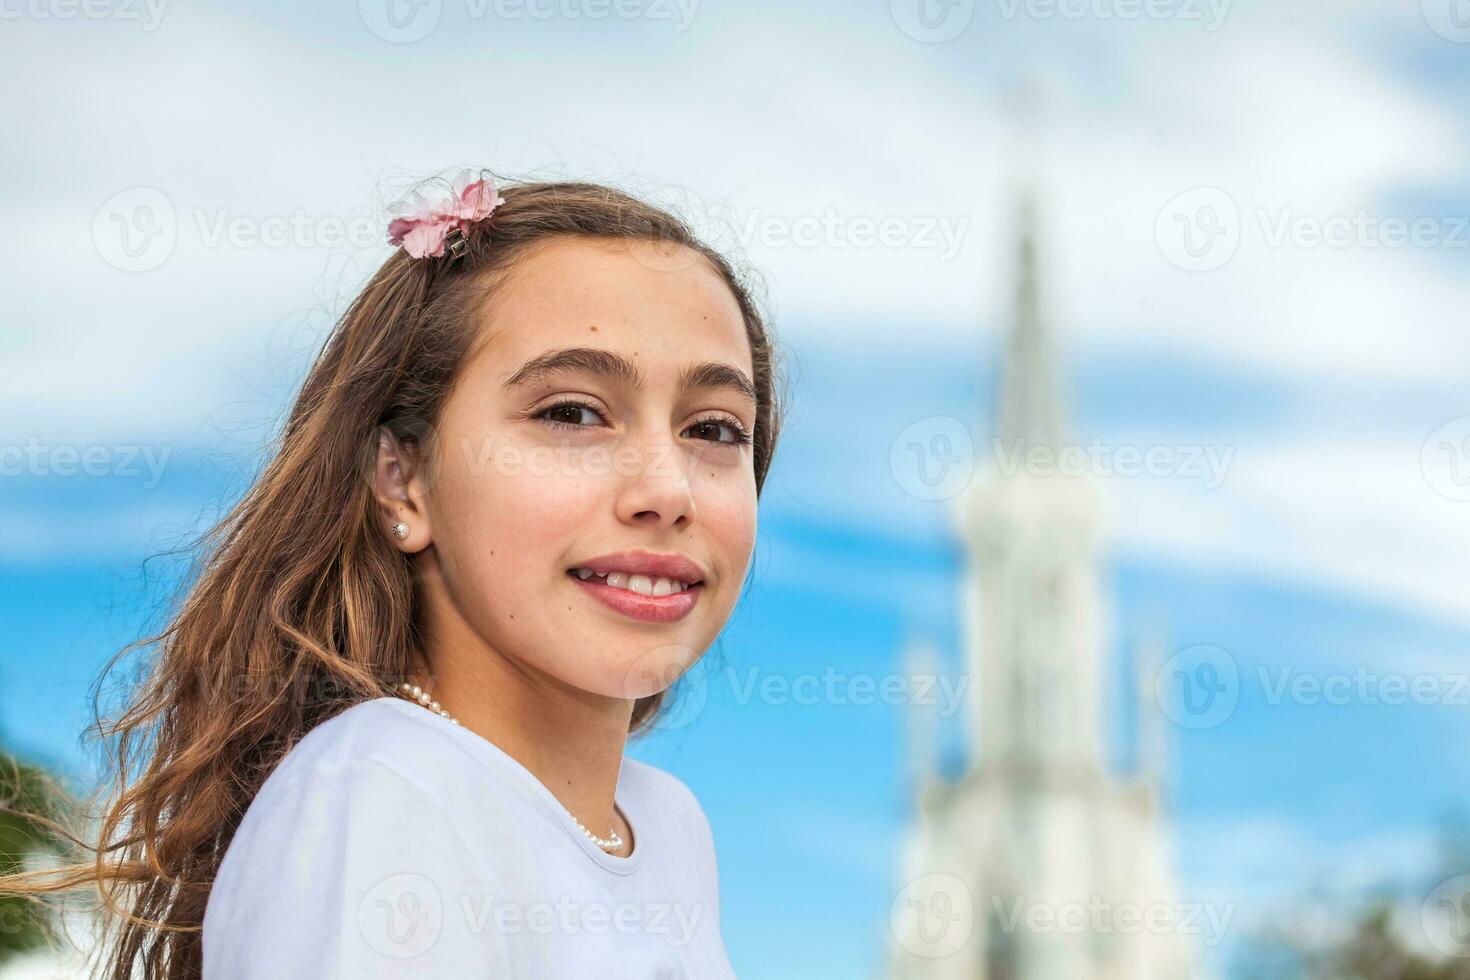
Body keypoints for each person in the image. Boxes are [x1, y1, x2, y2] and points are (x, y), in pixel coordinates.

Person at [2, 172, 786, 978]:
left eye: (714, 428)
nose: (666, 490)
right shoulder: (380, 793)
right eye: (571, 413)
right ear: (402, 480)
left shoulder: (666, 826)